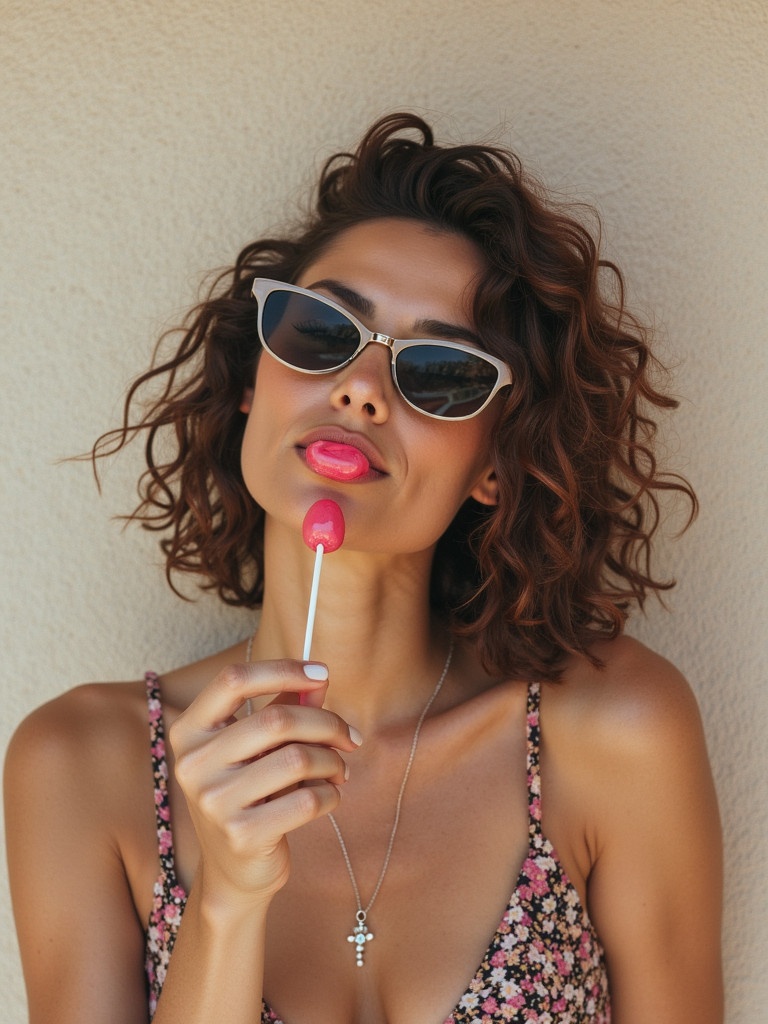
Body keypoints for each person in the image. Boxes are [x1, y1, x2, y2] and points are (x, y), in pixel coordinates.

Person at [4, 112, 722, 1024]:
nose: (361, 389)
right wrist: (226, 903)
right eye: (318, 330)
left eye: (440, 372)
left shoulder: (615, 732)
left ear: (498, 463)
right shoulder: (80, 766)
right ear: (252, 383)